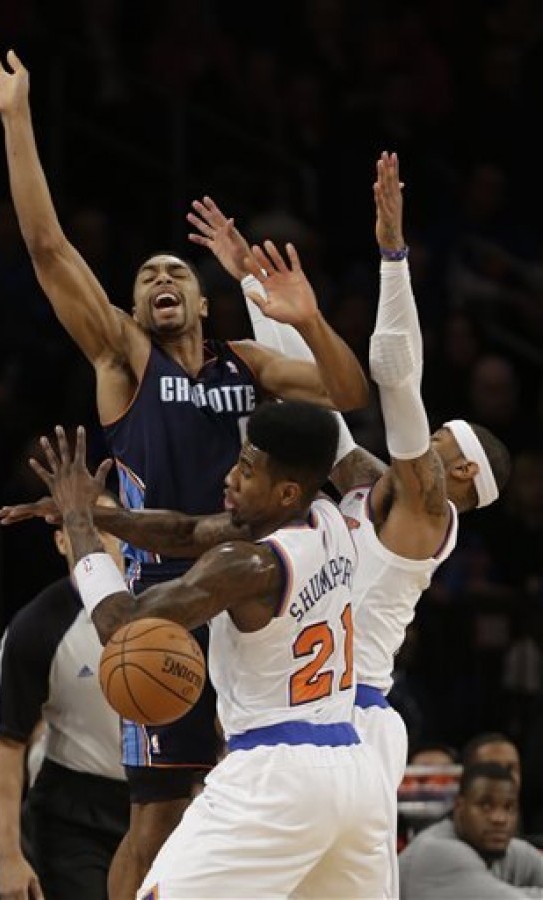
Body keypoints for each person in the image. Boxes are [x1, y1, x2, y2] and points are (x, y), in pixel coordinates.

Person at [0, 46, 369, 900]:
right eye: (146, 277)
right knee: (157, 821)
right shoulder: (124, 357)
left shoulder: (248, 361)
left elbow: (346, 392)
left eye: (176, 270)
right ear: (137, 306)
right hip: (163, 602)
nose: (159, 279)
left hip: (255, 586)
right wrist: (17, 118)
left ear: (205, 299)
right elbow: (46, 247)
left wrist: (306, 318)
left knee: (255, 801)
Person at [186, 151, 512, 899]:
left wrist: (393, 256)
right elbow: (321, 419)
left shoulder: (426, 511)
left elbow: (396, 377)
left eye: (440, 439)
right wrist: (257, 286)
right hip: (311, 713)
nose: (425, 439)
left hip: (347, 720)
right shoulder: (378, 490)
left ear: (463, 472)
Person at [28, 402, 389, 899]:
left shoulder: (249, 566)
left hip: (274, 773)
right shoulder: (328, 515)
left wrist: (77, 523)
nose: (230, 478)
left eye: (247, 471)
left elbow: (121, 625)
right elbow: (187, 532)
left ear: (286, 491)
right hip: (354, 771)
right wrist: (98, 513)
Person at [0, 491, 131, 900]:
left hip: (160, 797)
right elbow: (4, 741)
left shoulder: (168, 608)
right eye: (81, 528)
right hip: (74, 812)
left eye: (107, 527)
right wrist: (8, 855)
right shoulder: (36, 626)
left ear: (128, 536)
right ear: (61, 541)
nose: (95, 540)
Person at [398, 762, 543, 899]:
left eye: (509, 807)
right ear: (459, 807)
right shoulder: (436, 851)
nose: (500, 819)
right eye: (486, 806)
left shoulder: (510, 851)